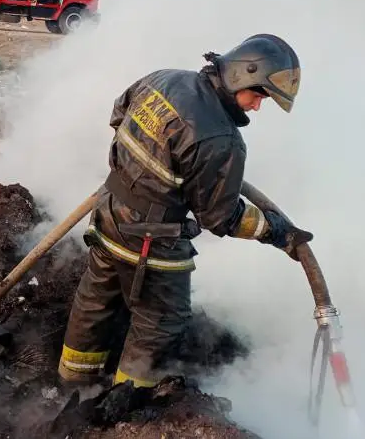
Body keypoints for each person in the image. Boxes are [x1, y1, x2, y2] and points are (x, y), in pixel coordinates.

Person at [58, 34, 314, 388]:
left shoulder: (164, 79)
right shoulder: (221, 141)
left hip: (107, 214)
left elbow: (119, 113)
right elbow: (220, 217)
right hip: (150, 239)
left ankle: (71, 383)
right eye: (258, 95)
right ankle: (121, 402)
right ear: (242, 75)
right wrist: (272, 230)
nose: (257, 107)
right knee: (161, 320)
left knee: (96, 299)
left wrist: (143, 172)